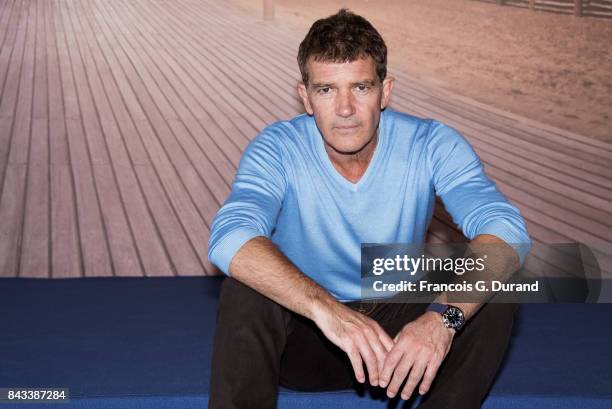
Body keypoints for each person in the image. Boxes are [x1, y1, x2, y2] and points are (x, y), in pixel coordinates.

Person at [207, 9, 530, 409]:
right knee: (246, 285)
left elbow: (507, 230)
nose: (345, 109)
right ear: (305, 97)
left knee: (497, 279)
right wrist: (328, 311)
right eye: (326, 90)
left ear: (386, 91)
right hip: (311, 338)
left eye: (360, 87)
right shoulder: (277, 147)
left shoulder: (431, 143)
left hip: (402, 338)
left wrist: (440, 321)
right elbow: (230, 235)